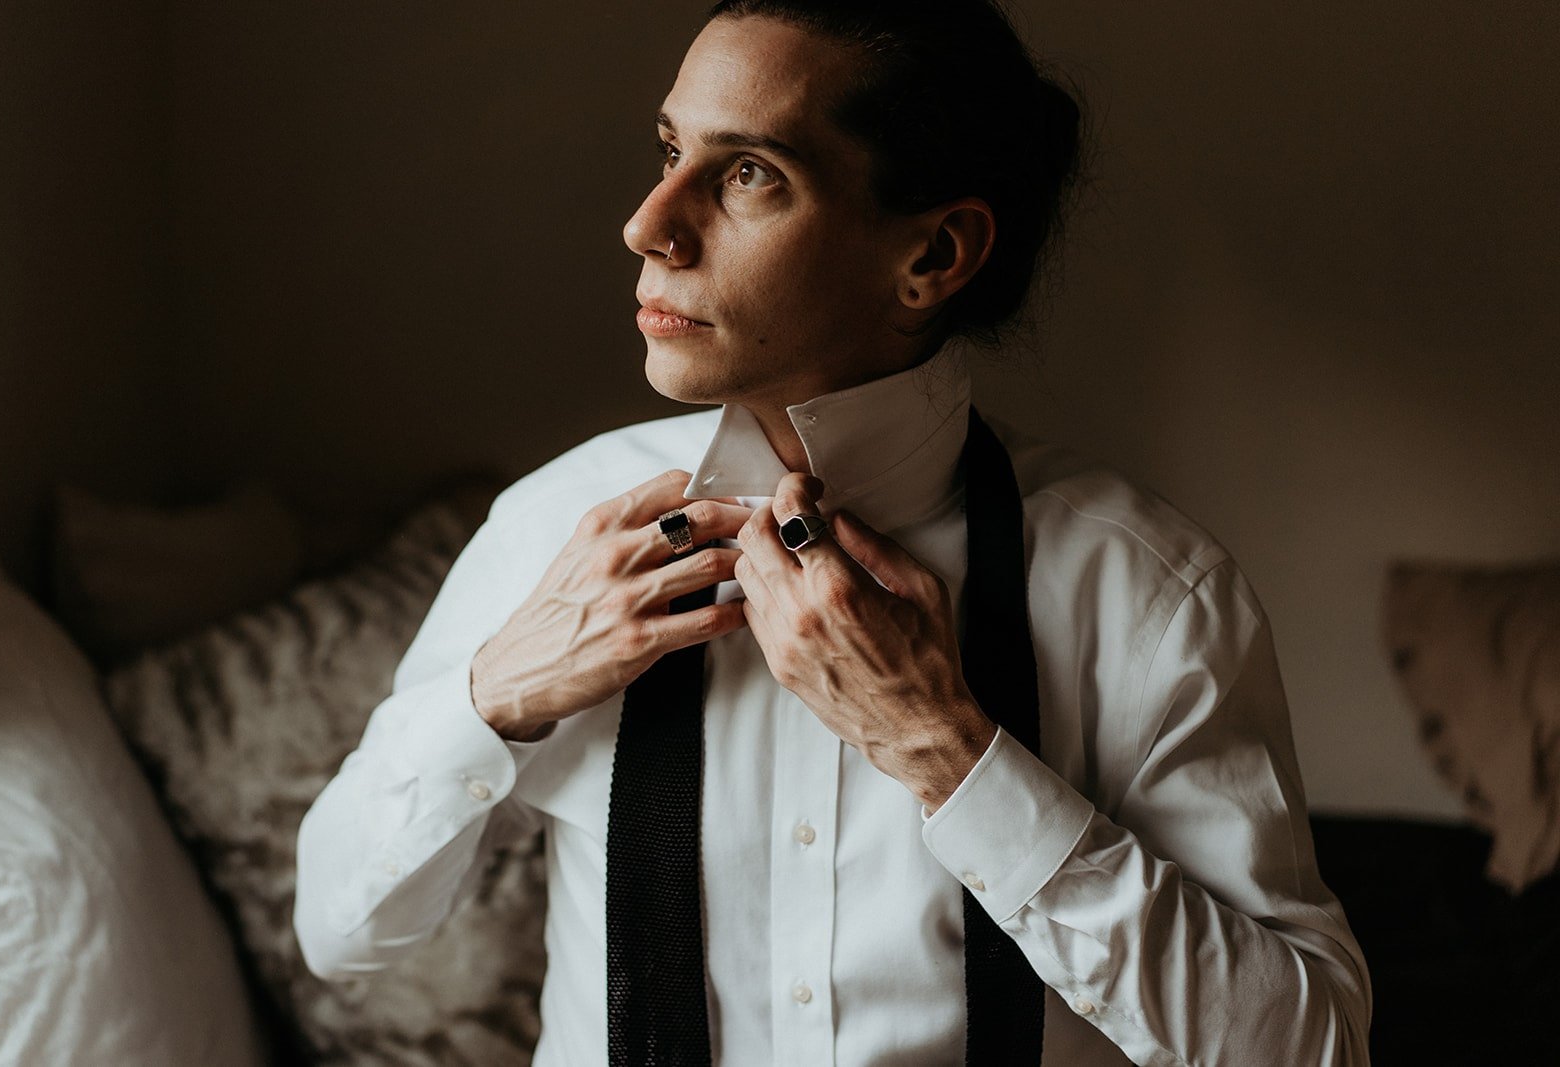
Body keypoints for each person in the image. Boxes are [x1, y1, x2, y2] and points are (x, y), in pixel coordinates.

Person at [294, 2, 1372, 1064]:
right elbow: (340, 933)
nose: (649, 224)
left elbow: (1308, 1048)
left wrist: (947, 750)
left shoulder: (1145, 592)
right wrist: (497, 696)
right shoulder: (558, 532)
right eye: (670, 150)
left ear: (935, 255)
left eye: (750, 171)